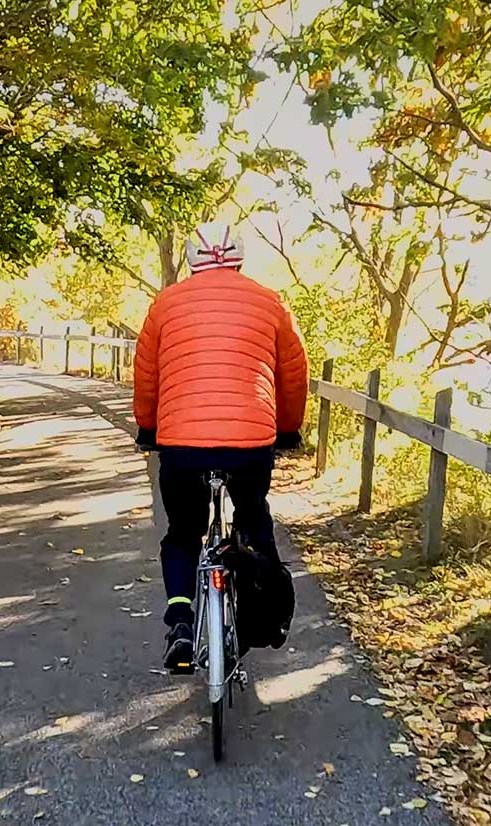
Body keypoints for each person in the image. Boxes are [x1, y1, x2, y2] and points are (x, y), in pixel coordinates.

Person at [132, 221, 309, 673]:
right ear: (240, 256)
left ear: (191, 259)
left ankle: (181, 624)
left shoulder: (164, 305)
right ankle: (261, 612)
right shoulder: (270, 304)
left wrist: (148, 427)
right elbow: (293, 376)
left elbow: (147, 377)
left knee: (182, 534)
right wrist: (287, 429)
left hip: (181, 445)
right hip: (250, 444)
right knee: (252, 520)